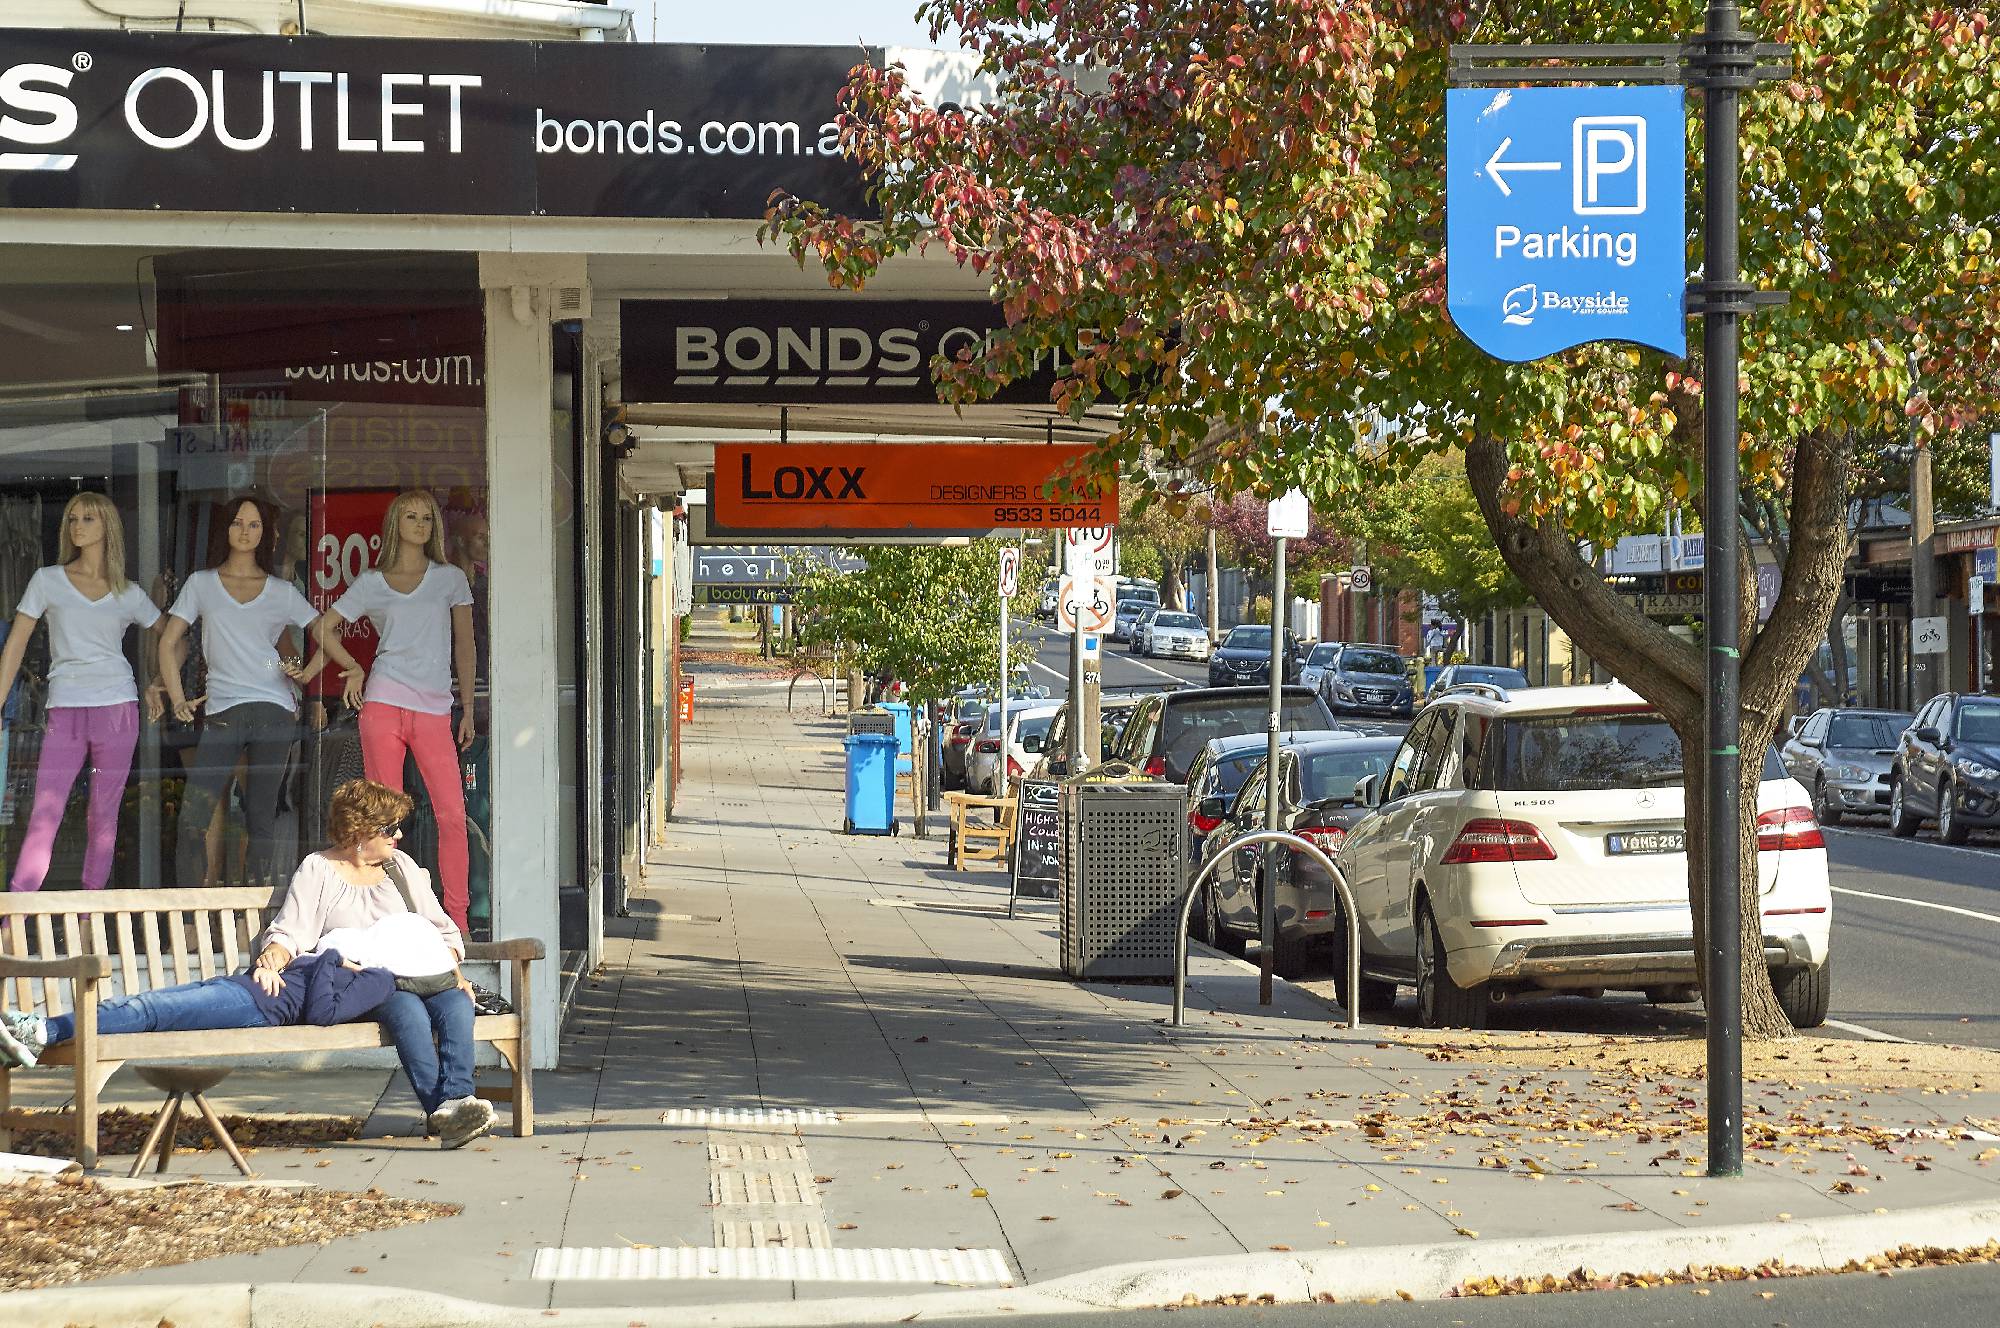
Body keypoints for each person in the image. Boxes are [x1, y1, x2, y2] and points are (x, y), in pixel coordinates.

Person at [248, 776, 495, 1150]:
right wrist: (273, 956)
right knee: (408, 1012)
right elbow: (291, 930)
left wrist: (456, 975)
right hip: (366, 983)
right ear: (359, 829)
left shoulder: (401, 866)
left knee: (457, 1004)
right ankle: (444, 1112)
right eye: (390, 828)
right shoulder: (318, 869)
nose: (399, 835)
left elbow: (438, 930)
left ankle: (456, 1100)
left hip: (422, 974)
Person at [299, 491, 475, 930]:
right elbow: (323, 628)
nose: (420, 524)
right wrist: (353, 667)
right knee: (382, 819)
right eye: (411, 516)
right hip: (382, 702)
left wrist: (469, 707)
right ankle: (388, 915)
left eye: (427, 518)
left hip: (433, 708)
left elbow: (465, 645)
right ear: (396, 523)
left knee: (452, 815)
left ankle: (458, 919)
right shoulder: (372, 582)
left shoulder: (450, 578)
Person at [152, 495, 325, 888]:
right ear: (225, 528)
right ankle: (191, 912)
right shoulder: (201, 583)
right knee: (195, 816)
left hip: (274, 708)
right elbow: (168, 642)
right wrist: (175, 698)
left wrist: (307, 675)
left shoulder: (280, 591)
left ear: (266, 533)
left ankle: (258, 914)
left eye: (254, 525)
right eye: (237, 523)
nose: (245, 532)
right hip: (223, 710)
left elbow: (319, 635)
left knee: (260, 817)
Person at [0, 492, 162, 892]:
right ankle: (17, 915)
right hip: (66, 708)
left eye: (88, 518)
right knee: (45, 814)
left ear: (107, 526)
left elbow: (169, 633)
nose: (77, 525)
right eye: (72, 518)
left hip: (118, 709)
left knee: (103, 816)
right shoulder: (48, 580)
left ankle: (90, 915)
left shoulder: (127, 592)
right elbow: (16, 643)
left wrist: (158, 680)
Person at [0, 942, 397, 1068]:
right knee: (142, 1004)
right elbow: (287, 967)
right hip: (238, 986)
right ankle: (29, 1033)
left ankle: (42, 1030)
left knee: (147, 1012)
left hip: (255, 1008)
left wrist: (329, 958)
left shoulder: (378, 977)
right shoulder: (346, 955)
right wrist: (269, 964)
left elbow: (323, 1013)